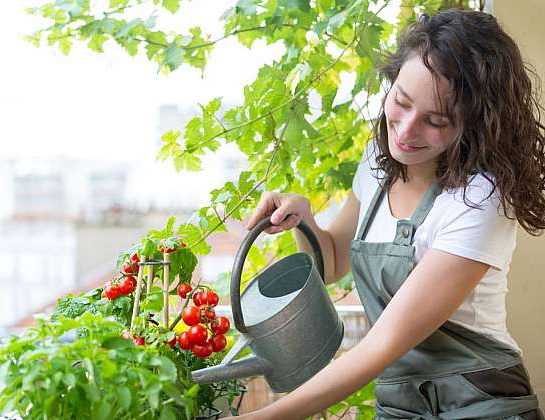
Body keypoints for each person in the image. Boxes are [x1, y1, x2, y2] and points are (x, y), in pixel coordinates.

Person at [223, 8, 545, 420]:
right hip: (402, 405)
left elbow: (383, 343)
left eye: (435, 121)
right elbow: (333, 261)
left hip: (479, 403)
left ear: (473, 123)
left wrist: (261, 417)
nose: (406, 130)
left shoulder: (480, 199)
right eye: (401, 102)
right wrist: (305, 219)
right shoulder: (377, 161)